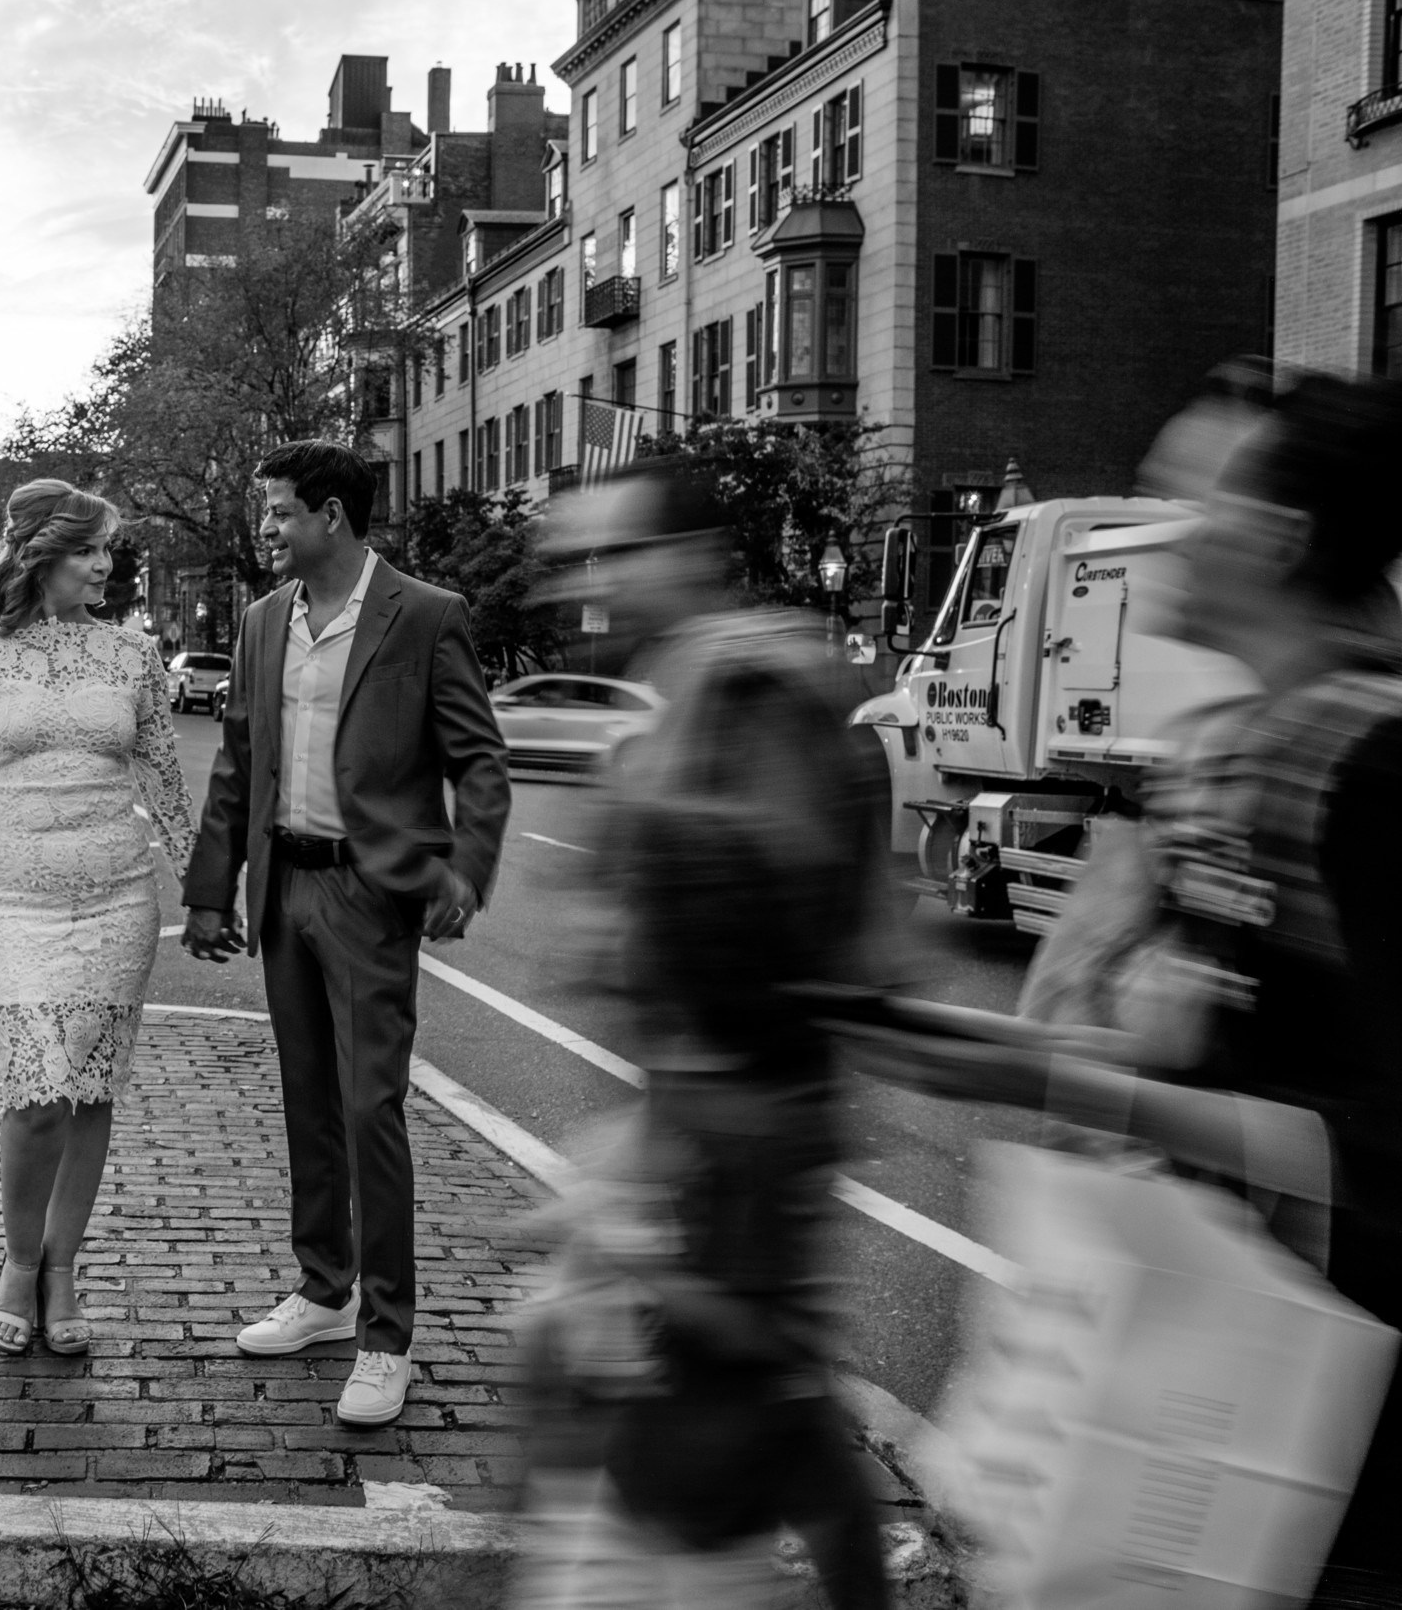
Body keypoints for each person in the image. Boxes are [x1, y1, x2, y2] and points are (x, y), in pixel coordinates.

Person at [852, 372, 1402, 1607]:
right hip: (1240, 1406)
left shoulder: (1369, 770)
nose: (1160, 537)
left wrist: (1035, 1071)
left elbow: (1362, 1150)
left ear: (1279, 539)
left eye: (1191, 503)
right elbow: (1240, 1063)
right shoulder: (1260, 748)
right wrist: (1002, 1050)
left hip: (1333, 1441)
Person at [512, 462, 894, 1610]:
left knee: (756, 1387)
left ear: (694, 556)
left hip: (748, 1099)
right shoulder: (689, 679)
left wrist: (634, 925)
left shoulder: (752, 683)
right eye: (584, 558)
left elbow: (776, 909)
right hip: (688, 1094)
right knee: (604, 1359)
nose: (596, 582)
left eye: (618, 554)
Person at [181, 439, 511, 1427]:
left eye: (279, 511)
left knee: (370, 1109)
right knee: (308, 1104)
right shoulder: (258, 622)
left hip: (371, 896)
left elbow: (480, 761)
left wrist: (466, 871)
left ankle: (386, 1335)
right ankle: (323, 1292)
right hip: (285, 886)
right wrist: (211, 889)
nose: (266, 528)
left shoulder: (424, 614)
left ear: (329, 514)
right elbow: (237, 761)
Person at [0, 479, 194, 1356]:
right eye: (91, 549)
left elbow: (166, 787)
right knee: (37, 1090)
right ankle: (19, 1265)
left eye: (109, 549)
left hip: (115, 900)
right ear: (42, 555)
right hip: (14, 902)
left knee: (89, 1090)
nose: (107, 565)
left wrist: (213, 890)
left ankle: (64, 1269)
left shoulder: (133, 657)